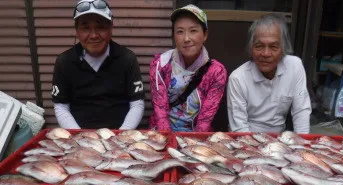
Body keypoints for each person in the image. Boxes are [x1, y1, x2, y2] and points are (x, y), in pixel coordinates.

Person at [52, 0, 145, 129]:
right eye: (85, 27)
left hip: (121, 134)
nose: (94, 35)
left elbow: (137, 104)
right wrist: (80, 137)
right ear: (77, 30)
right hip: (79, 137)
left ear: (111, 27)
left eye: (100, 27)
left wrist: (121, 136)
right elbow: (61, 106)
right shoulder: (64, 62)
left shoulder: (127, 59)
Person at [227, 13, 311, 134]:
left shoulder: (295, 66)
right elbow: (239, 129)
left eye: (273, 46)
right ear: (251, 48)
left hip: (280, 140)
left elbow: (301, 110)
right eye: (259, 46)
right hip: (247, 139)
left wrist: (302, 145)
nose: (266, 53)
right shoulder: (238, 78)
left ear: (283, 48)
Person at [149, 4, 227, 132]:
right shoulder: (160, 64)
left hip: (195, 135)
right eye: (180, 31)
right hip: (162, 133)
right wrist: (168, 142)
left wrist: (192, 146)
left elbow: (205, 120)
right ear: (174, 36)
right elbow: (161, 113)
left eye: (193, 31)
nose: (186, 38)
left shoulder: (217, 72)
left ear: (205, 34)